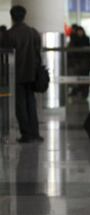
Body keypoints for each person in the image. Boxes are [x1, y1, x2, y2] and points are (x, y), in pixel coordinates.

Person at [4, 6, 43, 143]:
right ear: (24, 16)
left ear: (12, 17)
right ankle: (35, 133)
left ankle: (26, 134)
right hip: (32, 73)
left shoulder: (9, 34)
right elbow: (38, 53)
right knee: (31, 103)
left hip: (17, 74)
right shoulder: (33, 32)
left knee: (20, 105)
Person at [68, 26, 90, 99]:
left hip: (85, 63)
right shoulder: (73, 40)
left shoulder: (86, 39)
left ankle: (85, 93)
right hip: (77, 63)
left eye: (81, 31)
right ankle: (79, 92)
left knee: (86, 78)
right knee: (78, 78)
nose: (80, 33)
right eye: (78, 31)